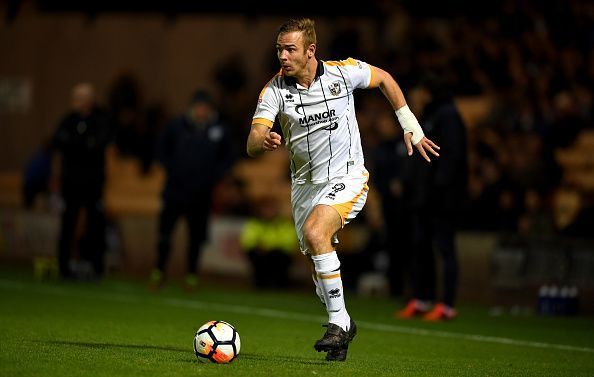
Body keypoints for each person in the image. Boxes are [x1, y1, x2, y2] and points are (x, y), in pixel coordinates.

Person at [246, 18, 439, 362]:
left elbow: (385, 79)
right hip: (305, 187)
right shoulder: (274, 90)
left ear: (310, 50)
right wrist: (263, 140)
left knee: (316, 231)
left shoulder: (342, 73)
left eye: (290, 49)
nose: (283, 57)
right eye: (279, 49)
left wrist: (410, 125)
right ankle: (344, 324)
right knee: (317, 265)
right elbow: (252, 141)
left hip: (347, 176)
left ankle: (336, 323)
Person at [395, 73, 468, 321]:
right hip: (424, 196)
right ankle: (422, 299)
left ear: (427, 91)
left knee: (445, 249)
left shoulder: (447, 115)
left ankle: (446, 304)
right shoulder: (429, 116)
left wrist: (440, 188)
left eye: (418, 91)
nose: (415, 96)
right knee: (420, 247)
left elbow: (452, 156)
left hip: (441, 197)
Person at [149, 89, 233, 291]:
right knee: (164, 234)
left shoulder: (219, 130)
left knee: (196, 237)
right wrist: (173, 169)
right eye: (198, 107)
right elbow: (161, 150)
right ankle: (158, 271)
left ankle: (191, 275)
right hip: (174, 191)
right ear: (192, 108)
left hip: (201, 194)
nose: (201, 111)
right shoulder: (176, 126)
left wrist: (214, 176)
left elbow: (229, 157)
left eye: (205, 107)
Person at [51, 82, 114, 280]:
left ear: (90, 100)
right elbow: (58, 141)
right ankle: (63, 266)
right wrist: (82, 144)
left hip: (93, 183)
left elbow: (98, 143)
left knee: (96, 225)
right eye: (75, 98)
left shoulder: (101, 119)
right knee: (68, 224)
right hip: (71, 182)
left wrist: (77, 144)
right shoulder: (68, 120)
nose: (77, 103)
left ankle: (96, 267)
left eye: (81, 98)